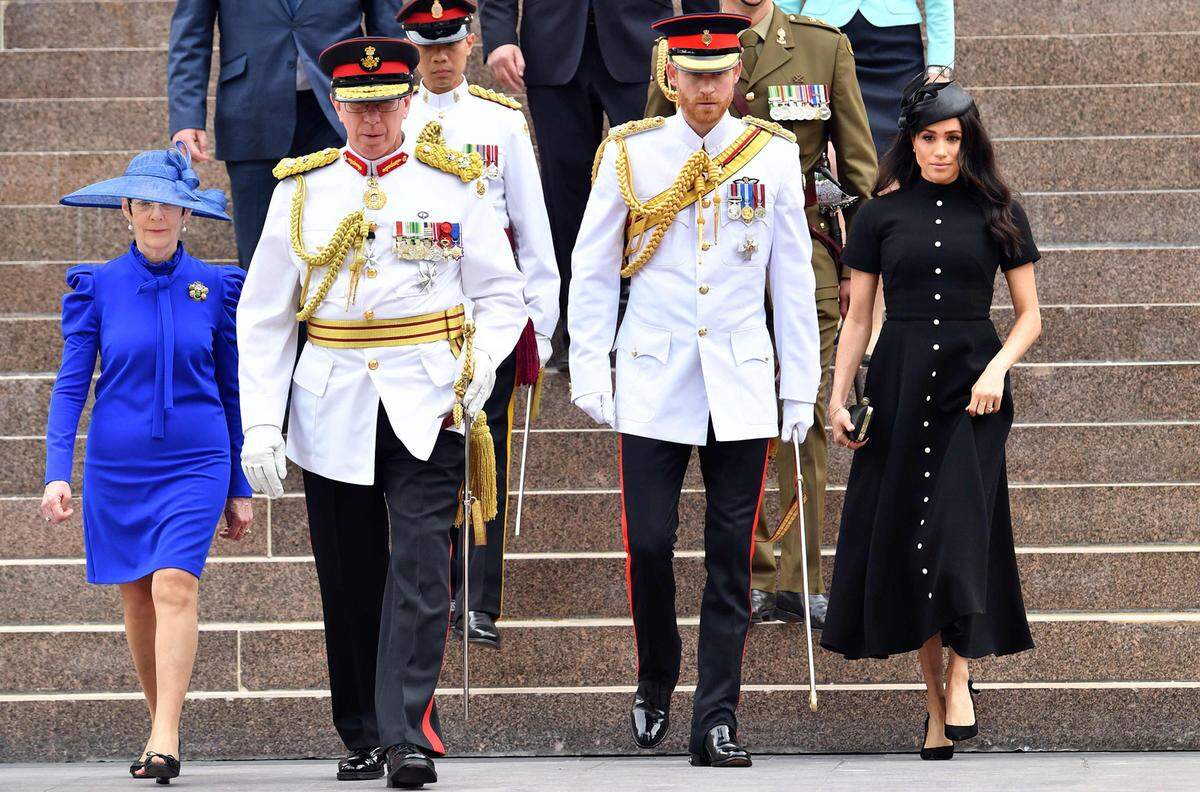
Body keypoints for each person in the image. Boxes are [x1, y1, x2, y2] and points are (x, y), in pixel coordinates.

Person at [237, 36, 527, 788]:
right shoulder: (298, 191)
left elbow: (502, 297)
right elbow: (265, 316)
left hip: (428, 395)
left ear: (407, 103)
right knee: (349, 574)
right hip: (333, 397)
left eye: (385, 105)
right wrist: (262, 421)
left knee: (425, 564)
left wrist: (475, 371)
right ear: (338, 106)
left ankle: (406, 735)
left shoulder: (454, 184)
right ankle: (362, 731)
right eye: (358, 107)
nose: (372, 120)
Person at [569, 12, 821, 767]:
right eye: (692, 73)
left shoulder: (771, 157)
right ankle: (656, 673)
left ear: (738, 76)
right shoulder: (631, 153)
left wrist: (799, 387)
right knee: (648, 543)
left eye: (718, 74)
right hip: (653, 373)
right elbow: (592, 266)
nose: (706, 87)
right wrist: (591, 365)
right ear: (668, 76)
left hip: (741, 381)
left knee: (728, 556)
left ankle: (716, 718)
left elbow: (792, 275)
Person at [820, 76, 1041, 759]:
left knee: (959, 533)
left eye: (953, 138)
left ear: (968, 142)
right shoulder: (879, 217)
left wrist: (997, 370)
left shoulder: (999, 209)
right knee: (914, 547)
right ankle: (935, 709)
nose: (942, 150)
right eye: (929, 138)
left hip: (974, 389)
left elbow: (1031, 316)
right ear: (909, 142)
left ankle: (963, 674)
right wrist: (837, 395)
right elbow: (858, 318)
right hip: (901, 382)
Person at [648, 0, 877, 630]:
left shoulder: (821, 47)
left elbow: (857, 167)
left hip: (803, 256)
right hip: (710, 272)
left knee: (803, 411)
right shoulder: (676, 49)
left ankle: (798, 577)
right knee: (731, 418)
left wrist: (864, 266)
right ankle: (744, 569)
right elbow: (646, 161)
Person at [42, 144, 254, 783]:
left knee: (173, 584)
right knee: (137, 595)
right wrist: (58, 470)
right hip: (118, 464)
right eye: (145, 204)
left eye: (170, 204)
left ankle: (166, 735)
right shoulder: (97, 286)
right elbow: (72, 384)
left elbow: (233, 388)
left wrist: (238, 483)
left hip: (197, 458)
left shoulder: (218, 287)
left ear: (186, 214)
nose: (157, 215)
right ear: (127, 211)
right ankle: (156, 722)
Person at [398, 0, 559, 649]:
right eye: (427, 45)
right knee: (422, 452)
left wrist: (541, 325)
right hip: (417, 306)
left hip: (490, 312)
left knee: (484, 448)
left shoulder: (502, 124)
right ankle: (430, 590)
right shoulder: (392, 120)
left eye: (451, 43)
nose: (439, 57)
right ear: (411, 47)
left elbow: (534, 227)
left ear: (470, 44)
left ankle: (481, 600)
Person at [479, 0, 717, 363]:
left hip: (642, 41)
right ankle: (576, 329)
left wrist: (706, 39)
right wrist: (498, 36)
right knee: (565, 198)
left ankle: (656, 327)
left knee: (656, 194)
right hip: (552, 46)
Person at [167, 0, 405, 266]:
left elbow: (388, 31)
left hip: (341, 113)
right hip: (252, 114)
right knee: (259, 254)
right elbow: (191, 35)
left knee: (346, 247)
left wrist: (396, 106)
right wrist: (186, 117)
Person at [787, 0, 955, 157]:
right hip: (822, 36)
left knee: (900, 147)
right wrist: (785, 49)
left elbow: (939, 4)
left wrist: (940, 69)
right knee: (831, 151)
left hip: (898, 49)